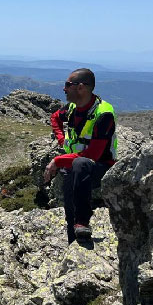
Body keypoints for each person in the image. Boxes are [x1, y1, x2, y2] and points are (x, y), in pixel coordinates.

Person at [43, 68, 117, 243]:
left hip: (101, 167)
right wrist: (61, 140)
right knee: (70, 207)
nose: (64, 89)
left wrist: (58, 160)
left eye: (68, 85)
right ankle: (74, 240)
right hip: (75, 166)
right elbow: (55, 118)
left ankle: (83, 223)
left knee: (80, 164)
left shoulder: (103, 113)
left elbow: (93, 154)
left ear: (81, 88)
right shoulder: (73, 108)